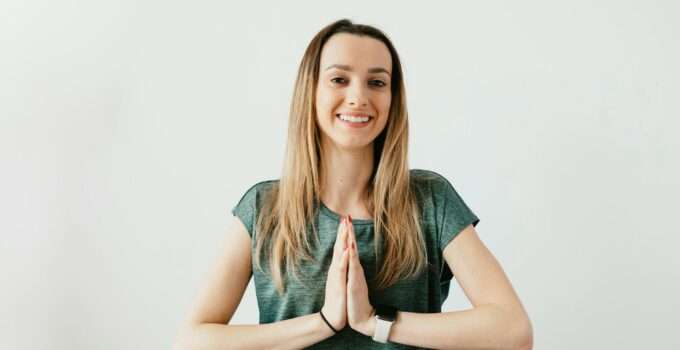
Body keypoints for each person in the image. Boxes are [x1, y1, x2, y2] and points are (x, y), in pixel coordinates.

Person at [174, 19, 533, 350]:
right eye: (339, 79)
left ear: (393, 99)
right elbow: (192, 340)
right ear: (310, 91)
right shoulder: (263, 207)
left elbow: (513, 330)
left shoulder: (431, 201)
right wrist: (325, 322)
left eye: (377, 82)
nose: (359, 97)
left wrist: (375, 323)